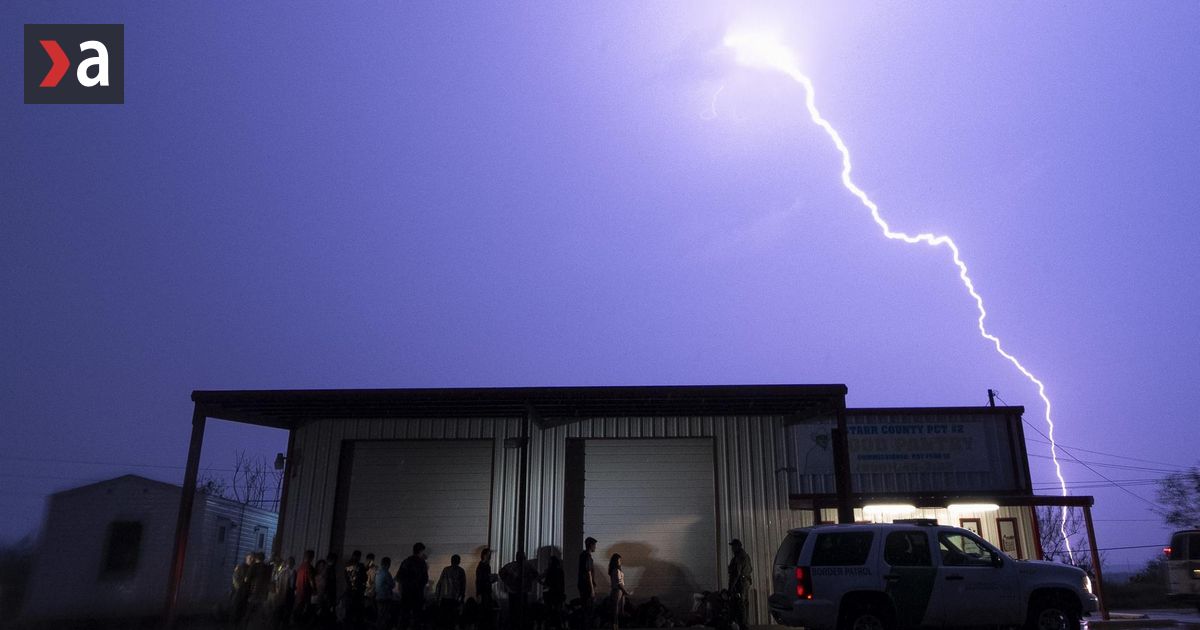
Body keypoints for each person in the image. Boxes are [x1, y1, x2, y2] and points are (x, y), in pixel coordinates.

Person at [399, 543, 430, 630]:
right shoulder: (421, 563)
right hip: (417, 594)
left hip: (406, 593)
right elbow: (425, 580)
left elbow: (400, 578)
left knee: (404, 616)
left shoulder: (406, 562)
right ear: (420, 551)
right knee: (417, 617)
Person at [435, 554, 467, 629]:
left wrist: (438, 597)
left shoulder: (446, 570)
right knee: (453, 620)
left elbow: (439, 584)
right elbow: (463, 586)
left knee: (445, 620)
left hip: (445, 598)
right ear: (459, 561)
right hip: (454, 598)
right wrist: (462, 598)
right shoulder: (461, 571)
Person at [727, 539, 752, 630]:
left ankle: (744, 625)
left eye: (733, 546)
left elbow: (736, 573)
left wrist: (731, 587)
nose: (732, 548)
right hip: (744, 582)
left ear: (738, 546)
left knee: (741, 603)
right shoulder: (744, 555)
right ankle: (743, 623)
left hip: (741, 583)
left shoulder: (739, 557)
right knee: (743, 603)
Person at [540, 556, 565, 630]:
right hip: (558, 594)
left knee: (548, 612)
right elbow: (562, 584)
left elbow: (539, 578)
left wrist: (543, 584)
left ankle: (548, 626)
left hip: (549, 594)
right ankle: (558, 626)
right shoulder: (560, 571)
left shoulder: (548, 571)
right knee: (558, 612)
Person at [577, 537, 597, 629]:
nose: (595, 547)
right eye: (594, 545)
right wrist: (592, 589)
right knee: (589, 610)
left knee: (585, 608)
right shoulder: (587, 557)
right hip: (587, 587)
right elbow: (588, 572)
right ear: (591, 545)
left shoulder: (582, 555)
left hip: (582, 586)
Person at [475, 548, 498, 630]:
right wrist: (479, 593)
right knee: (485, 612)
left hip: (486, 592)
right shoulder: (483, 566)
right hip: (484, 592)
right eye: (489, 555)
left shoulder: (485, 565)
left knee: (486, 611)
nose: (490, 557)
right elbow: (480, 580)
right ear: (484, 555)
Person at [607, 554, 630, 630]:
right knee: (616, 611)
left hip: (618, 591)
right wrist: (625, 591)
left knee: (618, 610)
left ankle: (616, 626)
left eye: (620, 560)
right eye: (618, 560)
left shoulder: (616, 570)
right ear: (615, 561)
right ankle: (615, 627)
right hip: (617, 591)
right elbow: (619, 583)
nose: (620, 562)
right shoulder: (616, 570)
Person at [345, 550, 368, 627]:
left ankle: (348, 625)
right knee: (358, 610)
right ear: (359, 557)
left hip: (349, 590)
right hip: (358, 591)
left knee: (349, 610)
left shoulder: (348, 565)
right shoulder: (360, 566)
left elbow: (346, 578)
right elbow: (365, 578)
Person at [232, 552, 255, 625]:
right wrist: (239, 588)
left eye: (252, 559)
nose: (251, 560)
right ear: (246, 558)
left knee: (243, 611)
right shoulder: (241, 567)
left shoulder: (252, 568)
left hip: (247, 593)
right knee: (236, 610)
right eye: (250, 558)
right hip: (239, 592)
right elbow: (235, 578)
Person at [294, 550, 316, 626]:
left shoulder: (301, 566)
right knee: (304, 610)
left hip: (299, 591)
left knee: (298, 609)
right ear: (312, 557)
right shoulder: (309, 567)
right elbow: (311, 580)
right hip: (306, 592)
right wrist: (314, 590)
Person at [376, 556, 397, 630]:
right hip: (385, 598)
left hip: (378, 597)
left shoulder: (378, 572)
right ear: (388, 564)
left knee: (379, 616)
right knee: (385, 616)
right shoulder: (386, 573)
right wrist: (394, 580)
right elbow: (392, 585)